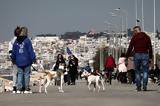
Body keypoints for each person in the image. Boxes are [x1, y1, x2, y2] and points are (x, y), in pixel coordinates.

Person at [126, 26, 153, 91]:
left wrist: (127, 56)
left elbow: (130, 47)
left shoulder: (134, 37)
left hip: (137, 55)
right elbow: (150, 48)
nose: (133, 33)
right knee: (145, 70)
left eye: (134, 31)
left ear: (136, 31)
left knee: (137, 71)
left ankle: (138, 86)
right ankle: (144, 85)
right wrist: (150, 57)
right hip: (145, 55)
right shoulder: (147, 37)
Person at [11, 27, 36, 94]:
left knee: (19, 74)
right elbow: (30, 51)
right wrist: (33, 58)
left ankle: (19, 89)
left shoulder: (16, 41)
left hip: (18, 60)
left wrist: (13, 59)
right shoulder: (27, 40)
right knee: (27, 74)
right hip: (27, 60)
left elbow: (14, 52)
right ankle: (26, 89)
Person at [8, 26, 21, 93]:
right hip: (21, 59)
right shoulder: (22, 40)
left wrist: (12, 58)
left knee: (14, 73)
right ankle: (19, 87)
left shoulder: (11, 41)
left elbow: (10, 51)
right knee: (20, 73)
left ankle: (14, 88)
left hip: (14, 59)